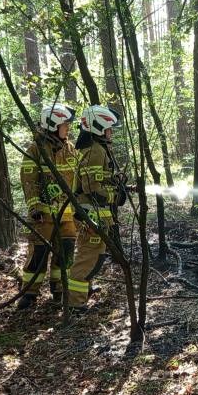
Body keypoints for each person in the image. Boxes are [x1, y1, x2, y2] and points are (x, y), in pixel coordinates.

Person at [17, 103, 79, 309]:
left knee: (66, 254)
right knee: (38, 254)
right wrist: (34, 206)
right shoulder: (35, 150)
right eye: (64, 125)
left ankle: (60, 289)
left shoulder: (70, 149)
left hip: (68, 216)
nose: (67, 129)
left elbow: (79, 178)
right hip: (43, 216)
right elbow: (28, 181)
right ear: (53, 125)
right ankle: (29, 293)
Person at [69, 104, 124, 310]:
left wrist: (117, 183)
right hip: (91, 214)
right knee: (87, 258)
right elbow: (91, 188)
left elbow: (99, 180)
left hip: (96, 214)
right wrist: (115, 195)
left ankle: (84, 291)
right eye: (109, 128)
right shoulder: (94, 150)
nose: (111, 133)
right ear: (98, 127)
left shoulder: (98, 148)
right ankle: (75, 304)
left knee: (95, 256)